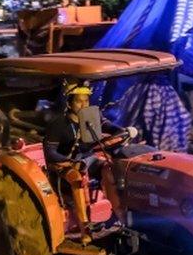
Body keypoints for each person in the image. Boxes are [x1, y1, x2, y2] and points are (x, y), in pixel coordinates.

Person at [44, 82, 135, 244]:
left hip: (88, 158)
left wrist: (124, 131)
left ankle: (120, 216)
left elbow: (110, 127)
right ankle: (84, 227)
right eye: (79, 101)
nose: (83, 105)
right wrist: (70, 162)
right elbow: (50, 152)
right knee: (78, 179)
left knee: (110, 169)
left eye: (86, 101)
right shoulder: (58, 124)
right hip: (63, 163)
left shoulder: (93, 118)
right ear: (69, 103)